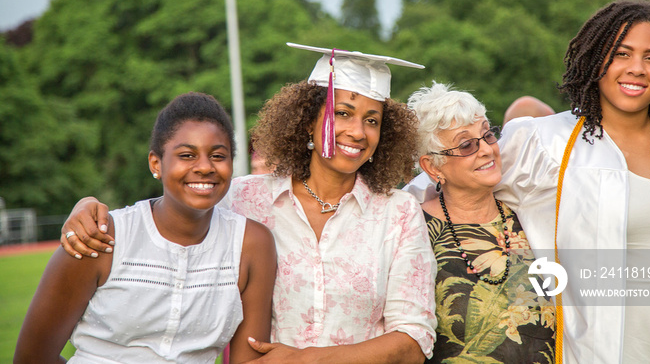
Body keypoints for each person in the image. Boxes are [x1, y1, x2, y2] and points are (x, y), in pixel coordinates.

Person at [59, 43, 438, 363]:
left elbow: (414, 339)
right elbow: (168, 217)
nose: (358, 131)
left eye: (372, 120)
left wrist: (303, 359)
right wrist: (88, 205)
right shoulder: (243, 198)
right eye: (343, 113)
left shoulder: (398, 213)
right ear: (308, 120)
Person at [406, 0, 650, 363]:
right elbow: (441, 180)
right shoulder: (546, 144)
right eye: (622, 54)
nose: (637, 69)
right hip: (600, 351)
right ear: (596, 60)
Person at [15, 92, 276, 363]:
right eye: (187, 155)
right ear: (156, 163)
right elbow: (31, 357)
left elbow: (249, 360)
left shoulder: (251, 244)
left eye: (218, 156)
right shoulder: (100, 235)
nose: (204, 167)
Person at [408, 82, 555, 363]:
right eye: (466, 145)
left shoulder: (530, 214)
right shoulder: (413, 228)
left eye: (487, 135)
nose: (487, 150)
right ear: (432, 166)